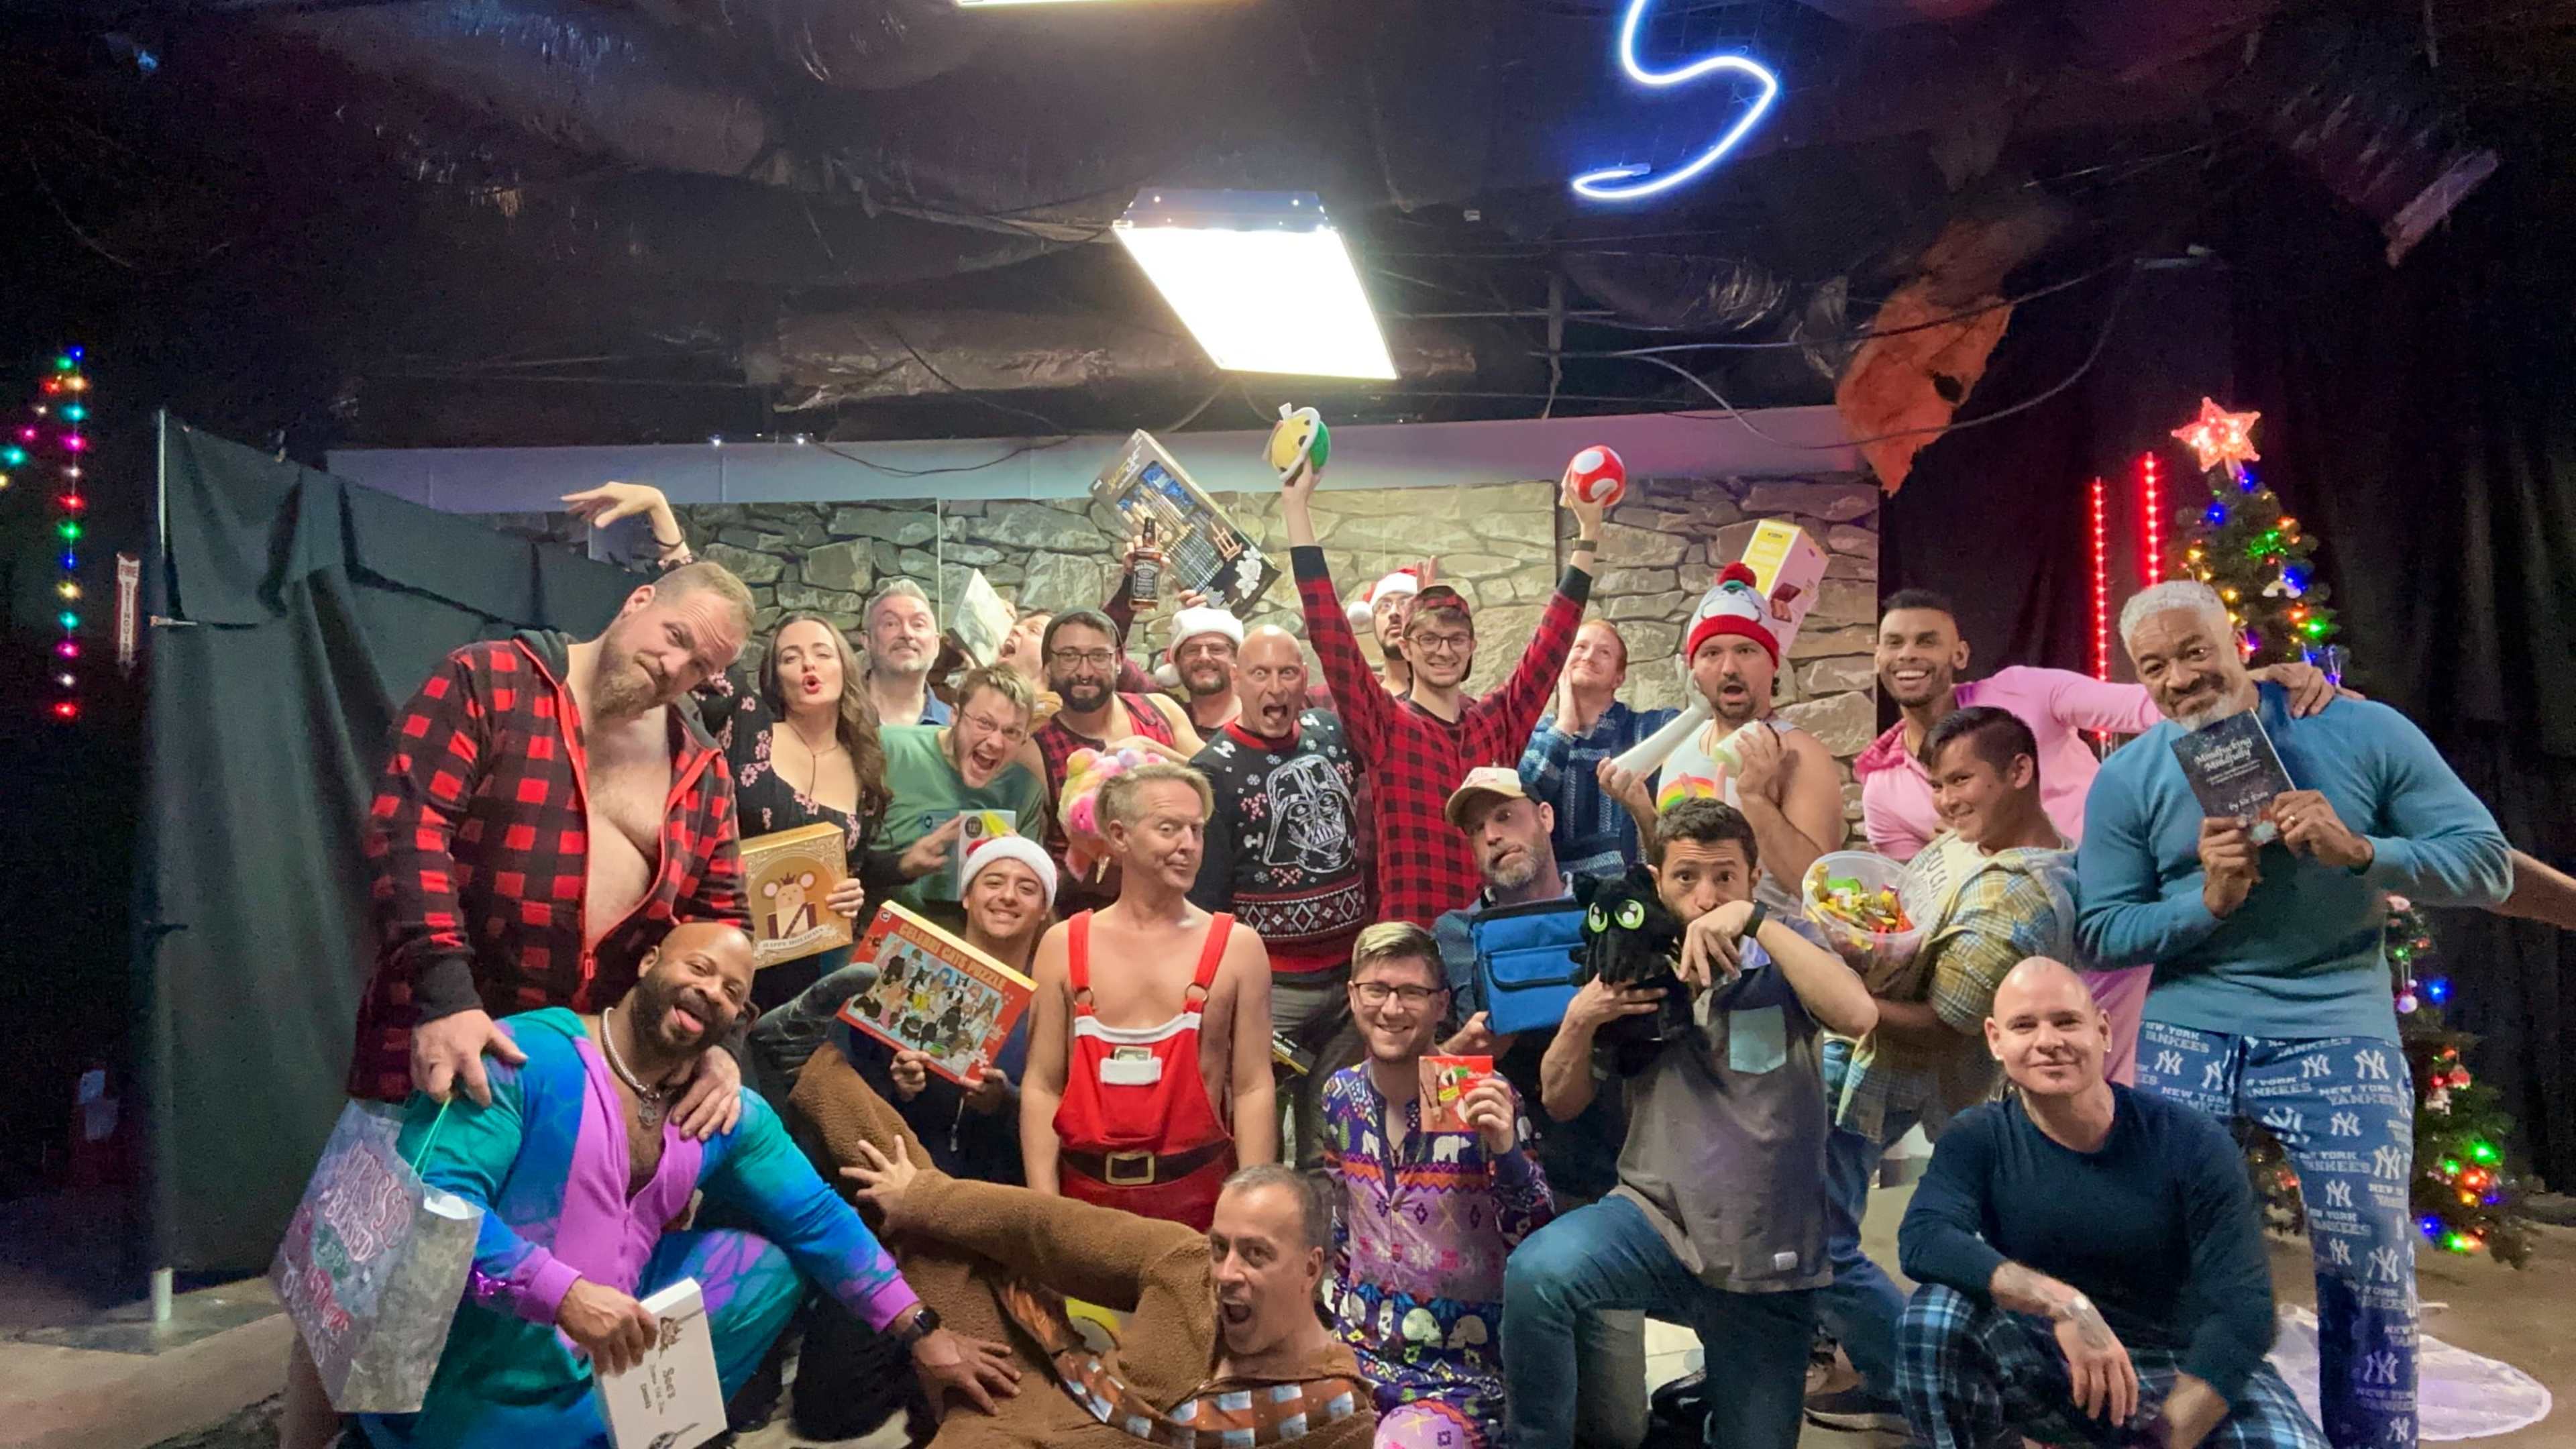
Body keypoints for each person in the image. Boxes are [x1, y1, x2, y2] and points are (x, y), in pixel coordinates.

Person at [2078, 580, 2512, 1449]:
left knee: (2367, 1267)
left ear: (2232, 638)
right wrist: (2208, 902)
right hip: (2190, 1025)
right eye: (2153, 666)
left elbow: (2488, 866)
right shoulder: (2129, 773)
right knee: (2160, 1259)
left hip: (2335, 1021)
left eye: (2194, 650)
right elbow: (2101, 931)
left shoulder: (2360, 729)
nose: (2180, 679)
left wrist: (2364, 853)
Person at [351, 922, 1021, 1447]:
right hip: (472, 1351)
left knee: (771, 1266)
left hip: (601, 1341)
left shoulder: (723, 1112)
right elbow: (427, 1212)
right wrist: (564, 1295)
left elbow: (818, 1220)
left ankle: (629, 1428)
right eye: (698, 968)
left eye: (733, 990)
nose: (712, 991)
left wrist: (925, 1333)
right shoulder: (526, 1056)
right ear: (649, 967)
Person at [1505, 798, 1878, 1449]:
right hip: (1652, 1224)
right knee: (1539, 1274)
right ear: (1657, 883)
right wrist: (1581, 1016)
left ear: (1752, 877)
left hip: (1769, 1256)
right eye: (1686, 878)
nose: (1705, 897)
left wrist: (1758, 921)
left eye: (1725, 878)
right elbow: (1562, 1101)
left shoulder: (1784, 951)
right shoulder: (1629, 964)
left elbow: (1858, 1016)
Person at [1854, 588, 2343, 1084]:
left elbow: (2147, 706)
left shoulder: (2026, 691)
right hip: (2015, 966)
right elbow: (1922, 913)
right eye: (1893, 643)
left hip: (2110, 926)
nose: (1908, 655)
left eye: (1926, 641)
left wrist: (2255, 684)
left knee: (2112, 1088)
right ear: (1877, 655)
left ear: (1959, 654)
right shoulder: (1882, 788)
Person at [1894, 957, 2324, 1449]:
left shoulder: (2192, 1141)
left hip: (2181, 1367)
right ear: (1996, 1040)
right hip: (2054, 1357)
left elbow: (2244, 1313)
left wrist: (2164, 1438)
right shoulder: (1979, 1136)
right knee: (1934, 1318)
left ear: (2103, 1030)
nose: (2048, 1041)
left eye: (2066, 1021)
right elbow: (1924, 1238)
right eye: (2024, 1025)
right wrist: (2066, 1305)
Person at [1808, 706, 2080, 1435]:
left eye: (1964, 781)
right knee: (1820, 1223)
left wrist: (1840, 994)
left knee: (1818, 1237)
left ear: (2021, 772)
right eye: (1939, 784)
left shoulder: (2014, 893)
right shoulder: (1979, 848)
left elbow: (1941, 1025)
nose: (1949, 800)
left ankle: (1913, 1377)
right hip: (1873, 1060)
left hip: (1893, 1070)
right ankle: (1899, 1370)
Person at [816, 1109, 1375, 1449]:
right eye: (1220, 1247)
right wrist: (921, 1197)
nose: (1228, 1273)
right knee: (917, 1209)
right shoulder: (1184, 1264)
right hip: (1022, 1383)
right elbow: (1046, 1230)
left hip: (1011, 1430)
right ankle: (805, 1063)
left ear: (1311, 1268)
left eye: (1256, 1255)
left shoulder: (1334, 1413)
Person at [766, 839, 1059, 1443]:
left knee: (1002, 1393)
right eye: (993, 881)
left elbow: (1057, 1127)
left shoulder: (1055, 1009)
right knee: (827, 1412)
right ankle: (919, 1346)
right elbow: (849, 1101)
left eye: (1026, 888)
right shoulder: (902, 970)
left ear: (1044, 909)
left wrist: (1001, 1102)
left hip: (985, 1216)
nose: (1007, 896)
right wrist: (901, 1089)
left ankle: (933, 1359)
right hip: (891, 1212)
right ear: (968, 894)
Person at [1286, 458, 1603, 927]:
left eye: (1455, 639)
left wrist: (1588, 536)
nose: (1443, 651)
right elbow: (1328, 632)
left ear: (1471, 648)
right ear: (1407, 647)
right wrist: (1296, 506)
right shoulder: (1385, 724)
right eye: (1429, 639)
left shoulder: (1497, 722)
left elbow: (1552, 644)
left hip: (1496, 934)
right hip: (1414, 941)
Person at [1432, 767, 1641, 1448]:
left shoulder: (1610, 910)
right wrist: (1471, 1046)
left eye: (1507, 818)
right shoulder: (1455, 934)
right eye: (1478, 830)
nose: (1494, 837)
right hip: (1489, 1202)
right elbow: (1436, 1093)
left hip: (1602, 1189)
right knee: (1520, 1416)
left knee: (1616, 1427)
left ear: (1546, 818)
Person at [1320, 922, 1552, 1449]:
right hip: (1355, 1362)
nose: (1392, 1008)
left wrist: (1506, 1155)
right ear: (1353, 996)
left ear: (1442, 1005)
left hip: (1459, 1379)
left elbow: (1535, 1239)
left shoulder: (1479, 1096)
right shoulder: (1340, 1095)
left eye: (1411, 993)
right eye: (1376, 990)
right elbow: (1343, 1232)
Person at [1021, 761, 1276, 1229]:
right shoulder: (1063, 945)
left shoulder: (1238, 949)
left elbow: (1253, 1087)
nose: (1188, 845)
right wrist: (1045, 1210)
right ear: (1119, 836)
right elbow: (1042, 1084)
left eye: (1196, 830)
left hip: (1199, 1203)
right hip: (1084, 1204)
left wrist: (1250, 1217)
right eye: (1169, 828)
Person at [1188, 625, 1368, 1164]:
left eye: (1287, 672)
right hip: (1272, 993)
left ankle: (1322, 1243)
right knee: (1255, 1143)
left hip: (1346, 985)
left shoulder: (1333, 734)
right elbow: (1208, 900)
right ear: (1238, 680)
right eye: (1261, 674)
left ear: (1305, 681)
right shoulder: (1213, 770)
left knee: (1331, 1148)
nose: (1276, 687)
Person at [1603, 560, 1839, 915]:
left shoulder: (1800, 753)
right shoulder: (1681, 749)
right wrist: (1643, 812)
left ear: (1773, 663)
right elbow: (1675, 866)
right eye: (1712, 653)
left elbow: (1821, 895)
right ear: (1693, 670)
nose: (1729, 668)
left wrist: (1755, 799)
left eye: (1746, 651)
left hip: (1768, 960)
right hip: (1690, 955)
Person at [1026, 608, 1205, 909]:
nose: (1084, 671)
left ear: (1119, 661)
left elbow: (1224, 783)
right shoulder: (1035, 750)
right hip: (1088, 915)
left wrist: (1156, 751)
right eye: (1069, 656)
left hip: (1184, 907)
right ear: (1048, 666)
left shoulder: (1160, 712)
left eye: (1098, 656)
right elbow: (1035, 857)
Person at [878, 665, 1049, 928]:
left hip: (973, 948)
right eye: (984, 724)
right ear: (954, 715)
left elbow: (1030, 900)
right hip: (881, 934)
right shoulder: (889, 750)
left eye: (1011, 732)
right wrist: (903, 865)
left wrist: (1020, 860)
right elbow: (842, 859)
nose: (995, 742)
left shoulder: (1025, 790)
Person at [1519, 619, 1680, 878]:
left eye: (1604, 652)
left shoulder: (1650, 728)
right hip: (1561, 900)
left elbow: (1698, 731)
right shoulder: (1536, 737)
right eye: (1580, 647)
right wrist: (1565, 726)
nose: (1589, 656)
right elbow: (1524, 800)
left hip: (1638, 895)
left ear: (1619, 678)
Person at [865, 579, 951, 727]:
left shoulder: (955, 727)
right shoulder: (834, 717)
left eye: (918, 624)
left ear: (936, 644)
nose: (907, 633)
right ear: (867, 641)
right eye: (891, 624)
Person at [1164, 604, 1246, 735]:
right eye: (1192, 650)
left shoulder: (1260, 724)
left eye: (1216, 649)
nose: (1204, 657)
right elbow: (1121, 663)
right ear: (1177, 663)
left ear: (1237, 659)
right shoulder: (1166, 716)